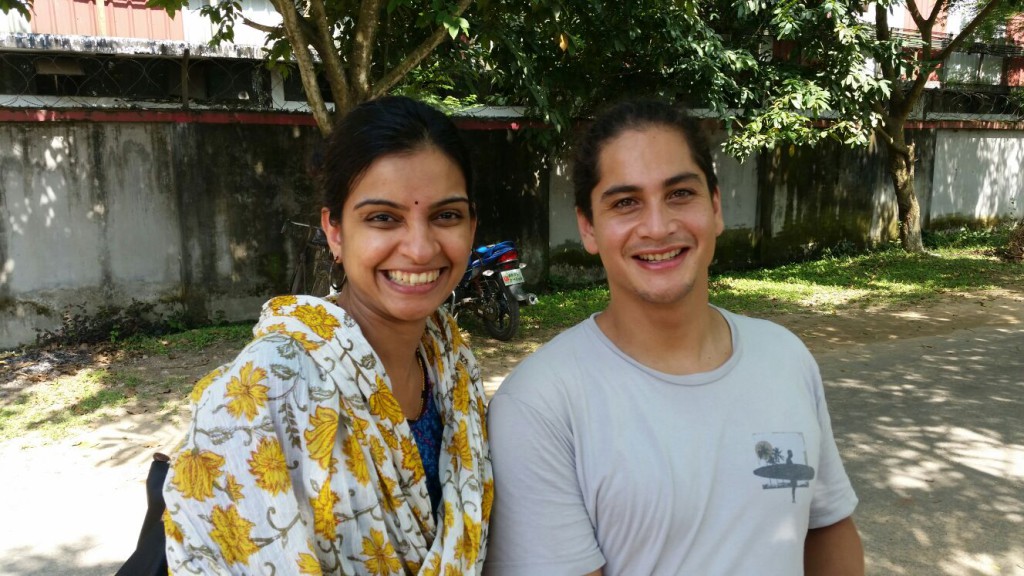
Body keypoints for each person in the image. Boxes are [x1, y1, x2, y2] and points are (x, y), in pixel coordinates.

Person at [484, 99, 863, 575]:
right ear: (588, 228)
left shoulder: (785, 357)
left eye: (680, 193)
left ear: (716, 207)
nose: (658, 227)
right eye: (625, 203)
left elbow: (827, 527)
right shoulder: (539, 405)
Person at [163, 96, 492, 575]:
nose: (421, 249)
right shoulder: (266, 389)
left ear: (472, 226)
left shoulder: (452, 364)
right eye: (383, 218)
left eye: (446, 216)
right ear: (334, 232)